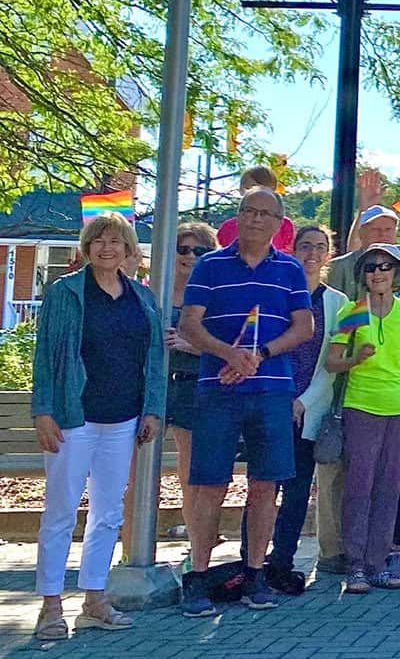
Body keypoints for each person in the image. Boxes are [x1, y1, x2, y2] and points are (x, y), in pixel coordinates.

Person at [176, 187, 315, 617]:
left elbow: (305, 326)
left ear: (279, 223)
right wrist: (228, 354)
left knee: (265, 485)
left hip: (272, 390)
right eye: (249, 212)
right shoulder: (210, 265)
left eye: (266, 214)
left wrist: (261, 355)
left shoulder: (290, 269)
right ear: (238, 218)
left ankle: (256, 572)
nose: (256, 220)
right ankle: (197, 576)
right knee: (209, 485)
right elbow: (189, 324)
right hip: (218, 389)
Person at [31, 212, 165, 641]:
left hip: (123, 418)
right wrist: (43, 412)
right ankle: (51, 605)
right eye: (98, 241)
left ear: (129, 250)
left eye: (116, 241)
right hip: (74, 416)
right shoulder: (65, 293)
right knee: (60, 511)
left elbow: (155, 359)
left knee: (107, 513)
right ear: (86, 248)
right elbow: (46, 355)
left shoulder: (143, 299)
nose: (107, 248)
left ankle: (94, 598)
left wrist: (152, 409)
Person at [324, 242, 400, 593]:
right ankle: (355, 564)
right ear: (363, 275)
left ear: (397, 274)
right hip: (361, 406)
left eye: (385, 267)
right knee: (359, 485)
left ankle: (377, 562)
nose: (378, 272)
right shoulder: (353, 311)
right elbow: (332, 361)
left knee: (389, 487)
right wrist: (356, 359)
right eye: (371, 267)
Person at [271, 225, 349, 590]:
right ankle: (252, 562)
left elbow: (333, 366)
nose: (312, 254)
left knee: (298, 491)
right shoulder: (276, 292)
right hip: (270, 403)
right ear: (292, 249)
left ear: (329, 254)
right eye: (305, 246)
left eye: (320, 247)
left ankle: (282, 562)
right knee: (262, 488)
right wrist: (282, 399)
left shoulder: (339, 304)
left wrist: (303, 402)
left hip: (309, 410)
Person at [163, 221, 218, 503]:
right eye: (183, 249)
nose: (191, 256)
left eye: (200, 250)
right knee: (137, 475)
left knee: (190, 473)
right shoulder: (154, 294)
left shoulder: (216, 298)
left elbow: (229, 350)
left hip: (193, 386)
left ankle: (193, 540)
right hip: (155, 386)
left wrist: (191, 345)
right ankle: (133, 546)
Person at [327, 205, 400, 299]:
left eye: (388, 229)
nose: (383, 234)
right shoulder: (338, 267)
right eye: (375, 229)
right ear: (361, 233)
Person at [215, 165, 297, 251]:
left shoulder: (284, 225)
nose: (251, 192)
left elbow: (290, 254)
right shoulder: (227, 227)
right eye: (246, 188)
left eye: (255, 187)